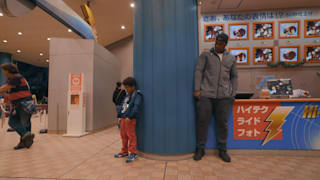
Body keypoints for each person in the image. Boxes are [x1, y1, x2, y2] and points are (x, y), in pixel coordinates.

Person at [193, 33, 238, 162]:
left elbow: (234, 76)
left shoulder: (231, 58)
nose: (217, 45)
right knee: (202, 122)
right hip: (206, 95)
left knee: (222, 124)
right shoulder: (206, 55)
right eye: (216, 42)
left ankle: (222, 150)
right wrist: (197, 89)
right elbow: (198, 71)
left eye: (220, 43)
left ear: (225, 44)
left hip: (224, 97)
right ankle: (200, 149)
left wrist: (233, 93)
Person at [0, 63, 36, 150]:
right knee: (20, 122)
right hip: (21, 104)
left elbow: (4, 88)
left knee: (18, 122)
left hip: (23, 104)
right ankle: (25, 140)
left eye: (3, 70)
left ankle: (24, 138)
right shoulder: (14, 78)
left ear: (8, 70)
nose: (3, 72)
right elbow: (6, 90)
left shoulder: (15, 77)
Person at [114, 77, 143, 163]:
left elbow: (136, 107)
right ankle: (124, 151)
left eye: (127, 87)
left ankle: (133, 153)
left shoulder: (137, 95)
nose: (126, 89)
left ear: (133, 86)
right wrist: (119, 116)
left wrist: (130, 117)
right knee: (123, 136)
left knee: (131, 136)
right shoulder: (127, 95)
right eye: (125, 88)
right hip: (123, 119)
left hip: (130, 119)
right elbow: (122, 105)